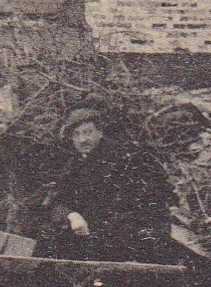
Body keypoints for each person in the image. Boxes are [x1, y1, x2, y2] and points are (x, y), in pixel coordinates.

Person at [39, 107, 178, 264]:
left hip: (126, 240)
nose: (82, 140)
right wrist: (72, 215)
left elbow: (144, 207)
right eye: (76, 135)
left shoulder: (124, 159)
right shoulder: (74, 165)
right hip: (93, 238)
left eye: (88, 132)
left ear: (100, 132)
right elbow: (58, 200)